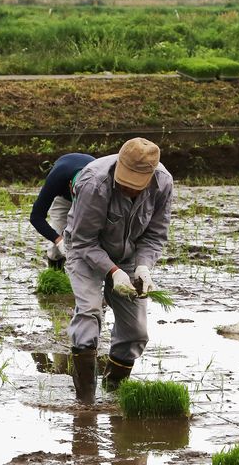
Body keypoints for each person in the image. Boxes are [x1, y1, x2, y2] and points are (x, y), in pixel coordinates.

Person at [64, 137, 173, 402]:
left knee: (136, 332)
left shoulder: (163, 183)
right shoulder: (94, 182)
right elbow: (84, 241)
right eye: (126, 184)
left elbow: (155, 234)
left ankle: (113, 394)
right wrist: (113, 272)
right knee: (89, 311)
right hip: (85, 251)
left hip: (129, 255)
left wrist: (143, 267)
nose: (131, 190)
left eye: (137, 186)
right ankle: (86, 400)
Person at [29, 152, 94, 268]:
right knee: (56, 249)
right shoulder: (57, 178)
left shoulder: (102, 179)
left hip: (92, 201)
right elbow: (36, 217)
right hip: (64, 199)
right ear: (70, 185)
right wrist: (59, 241)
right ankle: (56, 272)